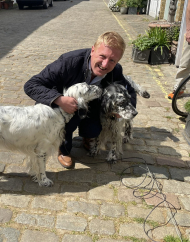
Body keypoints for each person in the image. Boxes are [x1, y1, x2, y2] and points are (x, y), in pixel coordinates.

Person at [24, 31, 136, 169]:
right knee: (66, 124)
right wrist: (59, 99)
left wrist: (123, 110)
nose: (105, 64)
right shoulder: (68, 62)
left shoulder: (116, 71)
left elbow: (129, 91)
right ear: (93, 50)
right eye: (102, 56)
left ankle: (87, 136)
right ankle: (63, 149)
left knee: (93, 130)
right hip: (62, 107)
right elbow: (31, 85)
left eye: (112, 60)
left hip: (91, 108)